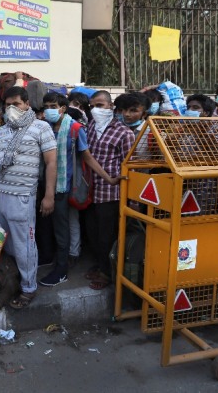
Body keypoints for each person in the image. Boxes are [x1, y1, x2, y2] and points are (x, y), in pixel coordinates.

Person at [0, 86, 57, 309]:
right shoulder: (1, 131)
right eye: (7, 105)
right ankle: (13, 281)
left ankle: (28, 287)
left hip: (22, 196)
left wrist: (49, 196)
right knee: (5, 244)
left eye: (16, 104)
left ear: (26, 104)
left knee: (24, 244)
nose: (11, 108)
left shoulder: (41, 127)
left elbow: (51, 162)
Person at [39, 92, 119, 286]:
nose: (49, 110)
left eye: (53, 106)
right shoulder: (45, 127)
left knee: (61, 228)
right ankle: (51, 260)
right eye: (46, 106)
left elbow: (87, 157)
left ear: (63, 108)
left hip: (63, 186)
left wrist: (108, 178)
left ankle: (62, 270)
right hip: (44, 184)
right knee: (47, 226)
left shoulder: (75, 129)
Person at [83, 90, 134, 290]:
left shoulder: (124, 132)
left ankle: (107, 273)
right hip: (90, 190)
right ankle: (100, 265)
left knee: (107, 236)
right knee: (93, 234)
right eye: (93, 106)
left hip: (111, 192)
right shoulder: (90, 126)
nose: (96, 109)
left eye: (101, 105)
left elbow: (128, 164)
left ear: (111, 107)